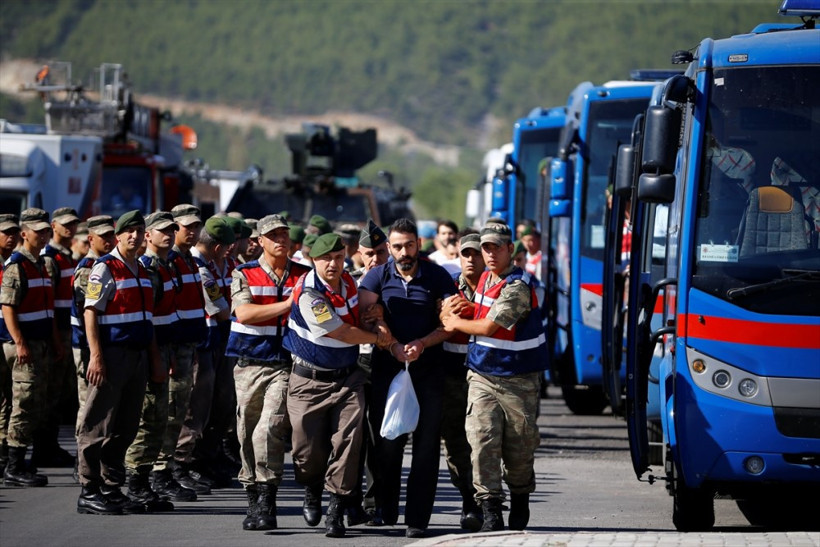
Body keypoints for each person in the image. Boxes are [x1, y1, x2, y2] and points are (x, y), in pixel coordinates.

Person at [440, 221, 548, 532]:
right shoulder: (487, 278)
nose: (489, 254)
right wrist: (460, 308)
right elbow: (479, 312)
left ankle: (520, 496)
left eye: (496, 247)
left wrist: (452, 321)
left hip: (518, 380)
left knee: (518, 447)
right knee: (482, 440)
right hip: (482, 375)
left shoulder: (517, 286)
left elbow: (489, 327)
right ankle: (489, 508)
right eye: (486, 247)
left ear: (510, 250)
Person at [284, 233, 394, 537]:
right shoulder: (308, 293)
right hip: (309, 381)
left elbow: (364, 315)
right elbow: (342, 332)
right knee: (307, 451)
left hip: (348, 379)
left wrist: (378, 321)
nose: (333, 264)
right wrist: (377, 339)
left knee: (348, 444)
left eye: (337, 257)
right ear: (313, 260)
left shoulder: (350, 284)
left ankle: (336, 508)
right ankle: (312, 488)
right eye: (325, 259)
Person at [358, 217, 456, 539]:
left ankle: (417, 519)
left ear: (419, 244)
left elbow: (449, 322)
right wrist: (389, 340)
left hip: (428, 372)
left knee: (426, 448)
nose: (404, 252)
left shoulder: (437, 276)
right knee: (386, 442)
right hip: (387, 370)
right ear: (389, 248)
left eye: (409, 245)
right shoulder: (375, 277)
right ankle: (385, 508)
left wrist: (421, 344)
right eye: (397, 246)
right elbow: (367, 316)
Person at [225, 213, 311, 531]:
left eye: (284, 234)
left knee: (269, 430)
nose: (281, 240)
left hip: (286, 365)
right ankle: (252, 494)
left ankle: (267, 498)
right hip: (249, 364)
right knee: (246, 432)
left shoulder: (304, 274)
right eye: (273, 235)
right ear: (259, 241)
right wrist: (290, 304)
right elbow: (245, 313)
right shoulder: (243, 273)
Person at [76, 210, 164, 514]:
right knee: (97, 423)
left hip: (138, 355)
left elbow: (147, 319)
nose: (136, 237)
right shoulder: (105, 268)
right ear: (118, 235)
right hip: (112, 355)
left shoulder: (140, 268)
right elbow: (91, 313)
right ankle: (89, 489)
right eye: (130, 232)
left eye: (140, 231)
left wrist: (153, 358)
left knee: (125, 426)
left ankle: (112, 486)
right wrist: (97, 357)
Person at [167, 216, 233, 495]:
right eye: (228, 245)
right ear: (218, 247)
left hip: (212, 341)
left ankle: (201, 458)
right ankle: (180, 463)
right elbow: (220, 309)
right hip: (199, 344)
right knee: (193, 408)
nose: (232, 250)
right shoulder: (199, 267)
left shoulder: (206, 265)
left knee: (212, 406)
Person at [122, 211, 182, 512]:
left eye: (172, 230)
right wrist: (157, 357)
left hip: (165, 349)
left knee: (159, 418)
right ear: (149, 235)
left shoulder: (165, 265)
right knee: (148, 418)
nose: (168, 235)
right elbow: (149, 319)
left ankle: (144, 481)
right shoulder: (147, 268)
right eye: (162, 230)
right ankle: (135, 483)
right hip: (152, 352)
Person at [1, 208, 59, 487]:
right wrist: (20, 343)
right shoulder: (17, 265)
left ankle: (22, 459)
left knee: (36, 401)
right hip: (25, 346)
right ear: (25, 234)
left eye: (46, 230)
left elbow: (46, 308)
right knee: (23, 404)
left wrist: (54, 342)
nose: (44, 235)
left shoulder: (40, 264)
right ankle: (13, 465)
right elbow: (8, 308)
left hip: (41, 344)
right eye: (38, 231)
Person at [439, 232, 485, 532]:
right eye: (465, 254)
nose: (470, 259)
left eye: (475, 254)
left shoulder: (494, 288)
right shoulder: (446, 286)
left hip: (485, 371)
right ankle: (469, 497)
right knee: (456, 442)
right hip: (451, 372)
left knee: (484, 440)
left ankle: (487, 497)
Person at [348, 219, 390, 525]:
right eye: (368, 253)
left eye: (380, 252)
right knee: (349, 438)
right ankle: (347, 501)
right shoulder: (347, 283)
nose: (374, 259)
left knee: (378, 438)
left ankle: (375, 502)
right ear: (358, 254)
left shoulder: (394, 282)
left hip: (382, 364)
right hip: (351, 365)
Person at [70, 215, 116, 476]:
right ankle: (83, 462)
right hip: (86, 345)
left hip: (96, 344)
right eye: (104, 237)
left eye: (112, 235)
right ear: (90, 239)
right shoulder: (88, 268)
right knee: (87, 404)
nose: (109, 240)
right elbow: (85, 310)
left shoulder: (105, 264)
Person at [39, 206, 82, 468]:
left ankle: (50, 445)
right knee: (51, 393)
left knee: (61, 392)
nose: (70, 228)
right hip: (57, 332)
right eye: (65, 224)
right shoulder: (50, 258)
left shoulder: (66, 256)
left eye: (73, 224)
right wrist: (55, 339)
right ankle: (44, 447)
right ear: (53, 226)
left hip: (68, 332)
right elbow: (49, 303)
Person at [0, 214, 21, 475]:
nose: (12, 237)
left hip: (7, 338)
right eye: (6, 232)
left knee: (8, 399)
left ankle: (5, 454)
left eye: (15, 232)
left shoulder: (12, 263)